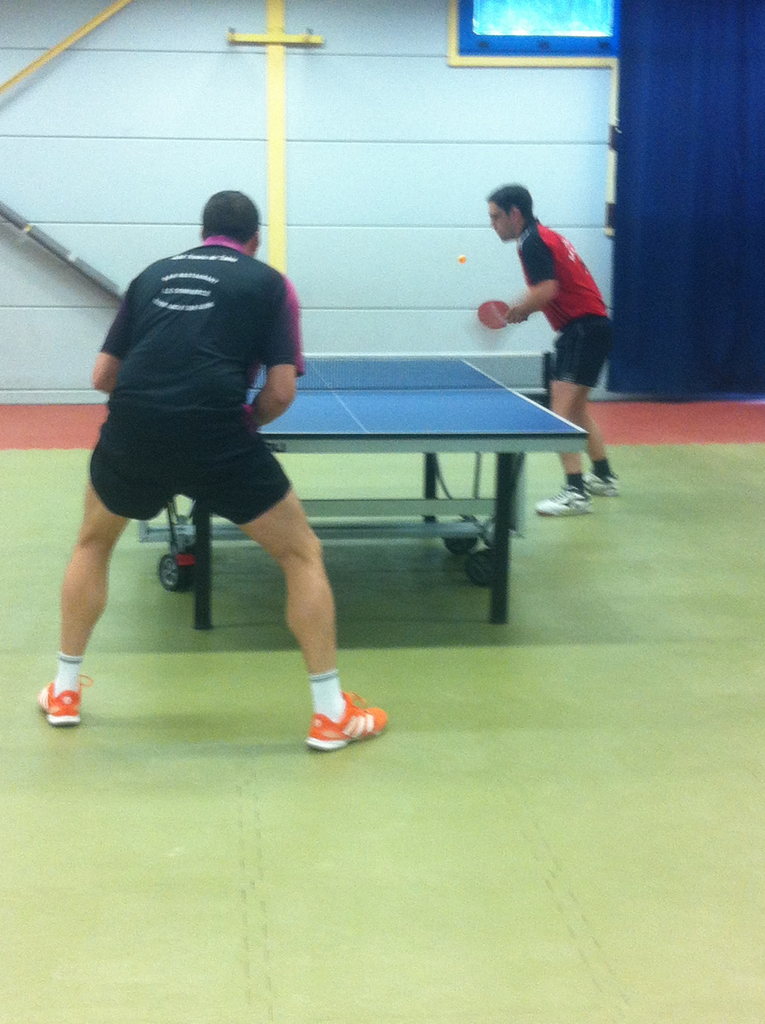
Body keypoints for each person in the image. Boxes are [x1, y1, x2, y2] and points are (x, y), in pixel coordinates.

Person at [38, 190, 387, 751]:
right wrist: (240, 423)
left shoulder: (150, 276)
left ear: (203, 234)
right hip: (217, 435)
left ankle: (63, 692)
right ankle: (330, 715)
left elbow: (103, 376)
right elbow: (281, 392)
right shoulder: (271, 284)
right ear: (255, 240)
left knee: (93, 543)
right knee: (301, 554)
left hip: (133, 431)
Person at [487, 184, 619, 516]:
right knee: (577, 410)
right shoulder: (544, 235)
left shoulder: (531, 241)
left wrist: (518, 310)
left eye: (496, 217)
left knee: (559, 413)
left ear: (515, 213)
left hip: (582, 330)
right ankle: (603, 476)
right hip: (594, 328)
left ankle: (575, 492)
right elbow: (549, 290)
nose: (493, 225)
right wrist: (521, 309)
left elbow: (547, 289)